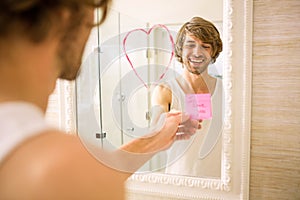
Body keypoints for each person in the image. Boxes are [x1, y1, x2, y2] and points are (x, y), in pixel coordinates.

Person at [0, 1, 199, 199]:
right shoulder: (57, 172)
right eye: (93, 13)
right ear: (66, 14)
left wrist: (155, 139)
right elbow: (79, 179)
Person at [151, 16, 223, 177]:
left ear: (213, 53)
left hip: (220, 183)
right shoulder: (165, 90)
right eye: (190, 45)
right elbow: (154, 130)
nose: (197, 52)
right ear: (180, 50)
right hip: (179, 181)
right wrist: (164, 125)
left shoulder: (227, 90)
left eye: (205, 46)